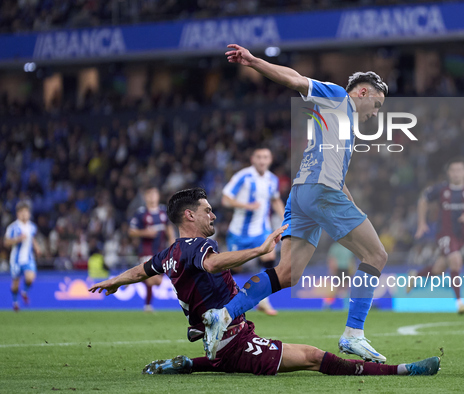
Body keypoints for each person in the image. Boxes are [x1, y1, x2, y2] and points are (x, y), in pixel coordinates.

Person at [88, 188, 440, 377]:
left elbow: (141, 270)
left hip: (231, 339)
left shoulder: (169, 252)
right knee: (315, 358)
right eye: (207, 210)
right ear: (189, 215)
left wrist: (115, 282)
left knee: (234, 357)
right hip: (233, 341)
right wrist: (258, 250)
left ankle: (189, 363)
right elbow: (210, 264)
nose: (213, 214)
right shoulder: (200, 246)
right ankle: (403, 370)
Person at [203, 44, 390, 363]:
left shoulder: (342, 125)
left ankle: (222, 316)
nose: (377, 111)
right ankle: (353, 334)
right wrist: (254, 62)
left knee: (288, 273)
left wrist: (350, 202)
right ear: (361, 92)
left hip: (303, 193)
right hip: (319, 191)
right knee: (376, 254)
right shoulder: (337, 97)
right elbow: (296, 79)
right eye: (377, 103)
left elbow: (335, 173)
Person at [411, 159, 464, 314]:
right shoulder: (441, 189)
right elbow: (423, 200)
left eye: (459, 170)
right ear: (448, 173)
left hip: (461, 236)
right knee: (455, 260)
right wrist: (421, 223)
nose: (456, 173)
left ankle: (415, 275)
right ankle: (459, 302)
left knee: (439, 268)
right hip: (444, 234)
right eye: (453, 170)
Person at [222, 147, 284, 316]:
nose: (262, 160)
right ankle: (224, 299)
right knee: (233, 268)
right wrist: (246, 206)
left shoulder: (272, 179)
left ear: (270, 160)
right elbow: (225, 200)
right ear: (253, 159)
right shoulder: (243, 176)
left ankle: (263, 300)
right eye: (259, 157)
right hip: (239, 232)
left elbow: (275, 199)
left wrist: (286, 218)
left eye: (266, 157)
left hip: (262, 230)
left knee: (269, 258)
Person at [129, 185, 176, 312]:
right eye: (149, 194)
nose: (152, 197)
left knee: (157, 281)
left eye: (154, 194)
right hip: (145, 250)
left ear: (158, 196)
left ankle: (134, 279)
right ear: (145, 197)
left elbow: (169, 227)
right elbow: (131, 231)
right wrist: (145, 232)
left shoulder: (163, 212)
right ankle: (148, 306)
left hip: (160, 251)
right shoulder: (141, 213)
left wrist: (172, 239)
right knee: (152, 279)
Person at [4, 201, 40, 312]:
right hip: (16, 260)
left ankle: (24, 291)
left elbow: (32, 237)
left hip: (28, 258)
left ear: (29, 213)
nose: (24, 214)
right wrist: (18, 239)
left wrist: (36, 246)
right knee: (15, 284)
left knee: (31, 277)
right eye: (22, 212)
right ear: (18, 214)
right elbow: (6, 243)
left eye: (26, 212)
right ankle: (15, 302)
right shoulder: (13, 227)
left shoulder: (32, 227)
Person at [323, 242, 356, 309]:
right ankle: (327, 303)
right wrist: (332, 269)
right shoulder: (336, 247)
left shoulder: (347, 247)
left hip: (346, 268)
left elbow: (351, 259)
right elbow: (332, 259)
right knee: (337, 287)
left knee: (344, 287)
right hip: (338, 268)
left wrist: (352, 269)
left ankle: (345, 305)